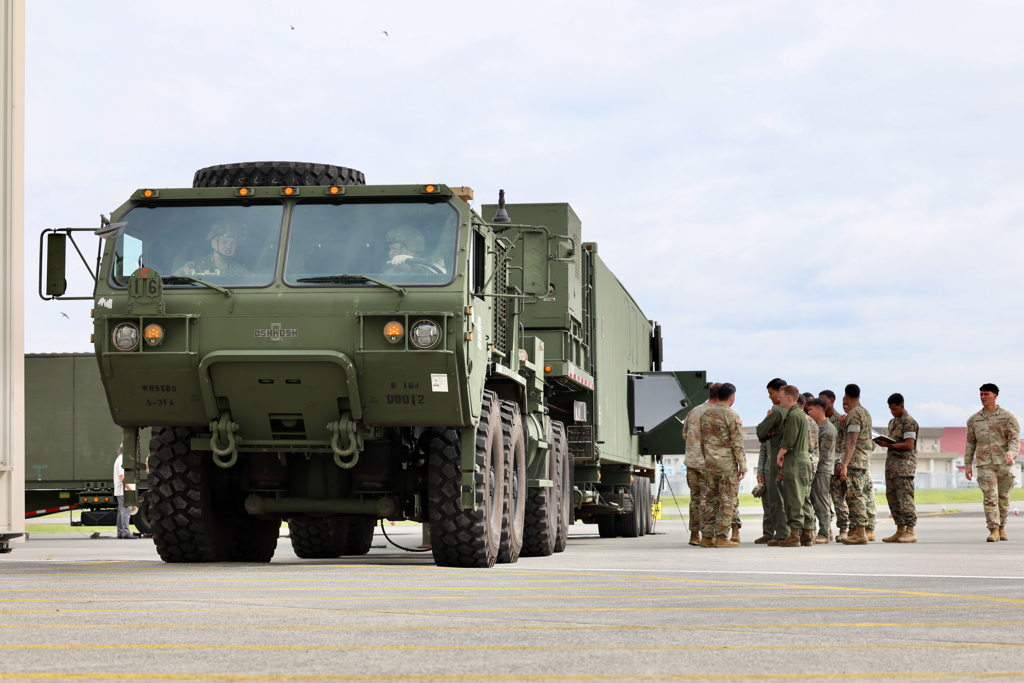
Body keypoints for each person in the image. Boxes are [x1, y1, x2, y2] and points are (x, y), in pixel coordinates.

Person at [965, 383, 1020, 542]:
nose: (983, 397)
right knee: (990, 496)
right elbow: (970, 443)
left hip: (1004, 463)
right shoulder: (974, 420)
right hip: (984, 464)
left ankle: (1002, 527)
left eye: (986, 394)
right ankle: (993, 529)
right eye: (981, 394)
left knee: (1003, 497)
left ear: (995, 395)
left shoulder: (1008, 417)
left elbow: (1015, 439)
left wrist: (1011, 453)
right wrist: (967, 464)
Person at [698, 383, 746, 548]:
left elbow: (702, 442)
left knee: (709, 500)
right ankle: (721, 537)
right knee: (727, 501)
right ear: (732, 397)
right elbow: (737, 443)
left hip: (710, 464)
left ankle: (706, 537)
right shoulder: (731, 415)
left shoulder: (705, 414)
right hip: (726, 466)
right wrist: (743, 465)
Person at [875, 393, 919, 543]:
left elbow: (908, 444)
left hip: (904, 466)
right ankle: (900, 529)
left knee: (904, 498)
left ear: (902, 406)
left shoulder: (909, 422)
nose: (893, 412)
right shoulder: (892, 422)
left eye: (895, 409)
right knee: (892, 498)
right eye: (890, 410)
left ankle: (910, 530)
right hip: (892, 466)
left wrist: (888, 445)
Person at [775, 386, 815, 547]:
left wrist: (780, 454)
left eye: (781, 397)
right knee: (804, 497)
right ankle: (807, 533)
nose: (779, 399)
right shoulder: (801, 415)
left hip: (795, 460)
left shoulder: (793, 415)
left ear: (790, 398)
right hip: (803, 459)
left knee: (794, 498)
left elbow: (789, 440)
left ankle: (794, 535)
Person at [682, 382, 721, 546]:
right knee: (709, 499)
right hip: (708, 463)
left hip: (692, 462)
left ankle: (694, 534)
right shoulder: (717, 413)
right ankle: (707, 535)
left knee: (695, 499)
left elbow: (685, 434)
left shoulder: (693, 411)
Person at [838, 384, 874, 545]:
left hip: (855, 461)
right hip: (864, 460)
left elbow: (852, 441)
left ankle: (860, 533)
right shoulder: (865, 413)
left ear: (846, 397)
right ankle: (858, 531)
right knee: (859, 494)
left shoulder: (853, 415)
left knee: (855, 495)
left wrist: (844, 464)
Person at [755, 378, 790, 545]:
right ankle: (769, 533)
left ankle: (783, 533)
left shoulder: (782, 413)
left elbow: (761, 432)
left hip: (780, 465)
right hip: (770, 466)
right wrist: (761, 471)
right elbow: (764, 446)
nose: (770, 397)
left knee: (780, 502)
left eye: (771, 393)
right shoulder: (774, 413)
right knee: (769, 503)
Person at [807, 397, 837, 543]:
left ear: (820, 409)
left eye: (811, 409)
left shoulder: (828, 429)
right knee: (813, 501)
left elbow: (823, 455)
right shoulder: (815, 427)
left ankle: (824, 534)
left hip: (822, 470)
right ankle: (813, 532)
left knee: (821, 501)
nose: (808, 412)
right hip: (813, 469)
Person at [176, 220, 250, 277]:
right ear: (213, 243)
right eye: (224, 241)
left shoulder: (241, 273)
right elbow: (172, 284)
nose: (228, 246)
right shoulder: (194, 267)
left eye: (233, 243)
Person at [821, 390, 848, 541]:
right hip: (824, 466)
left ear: (832, 401)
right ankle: (827, 528)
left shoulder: (841, 420)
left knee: (839, 500)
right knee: (824, 501)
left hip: (836, 466)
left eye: (824, 400)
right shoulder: (820, 420)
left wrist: (842, 464)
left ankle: (843, 529)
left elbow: (847, 445)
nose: (822, 403)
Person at [113, 444, 136, 540]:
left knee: (121, 511)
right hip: (123, 489)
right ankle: (125, 532)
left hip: (119, 489)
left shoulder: (118, 458)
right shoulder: (122, 460)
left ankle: (120, 532)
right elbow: (122, 476)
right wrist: (130, 489)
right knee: (126, 510)